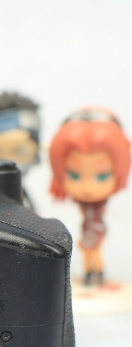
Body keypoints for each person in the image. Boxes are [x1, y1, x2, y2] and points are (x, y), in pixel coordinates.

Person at [49, 107, 131, 285]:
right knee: (90, 250)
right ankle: (93, 273)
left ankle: (95, 273)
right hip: (91, 228)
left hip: (95, 229)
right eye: (74, 175)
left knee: (92, 250)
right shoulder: (86, 206)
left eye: (102, 176)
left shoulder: (99, 207)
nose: (87, 188)